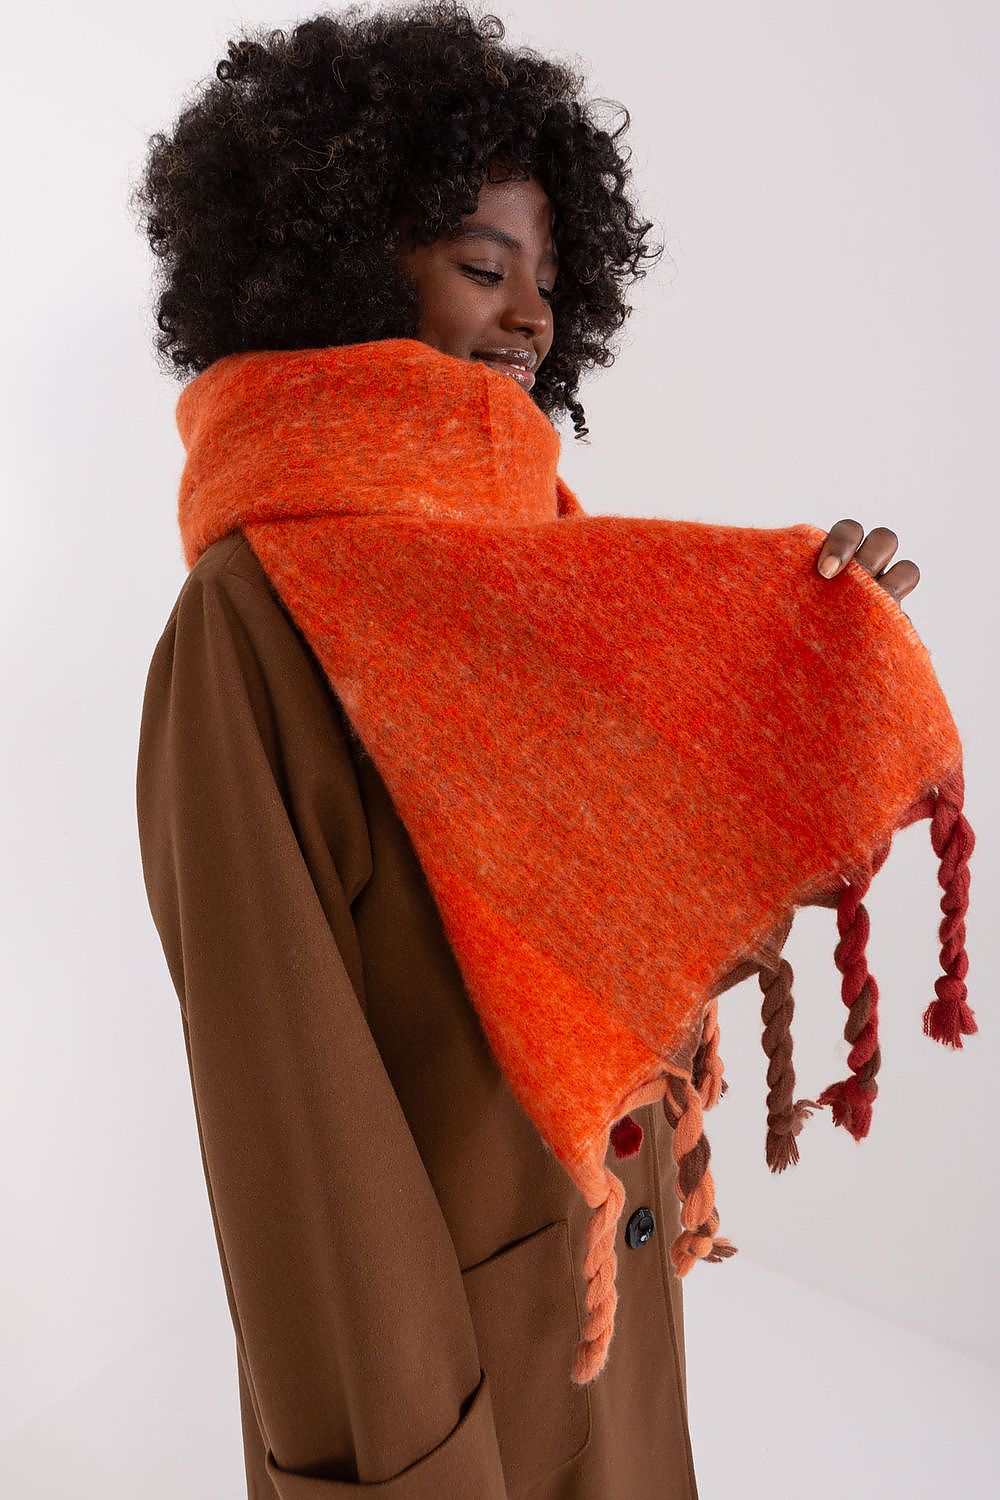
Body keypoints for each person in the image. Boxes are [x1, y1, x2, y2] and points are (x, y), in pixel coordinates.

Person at [131, 6, 921, 1497]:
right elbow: (296, 1131)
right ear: (343, 264)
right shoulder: (246, 630)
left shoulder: (550, 574)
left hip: (603, 1315)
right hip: (446, 1393)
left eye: (551, 283)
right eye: (485, 267)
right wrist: (410, 1469)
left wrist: (810, 678)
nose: (534, 320)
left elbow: (627, 921)